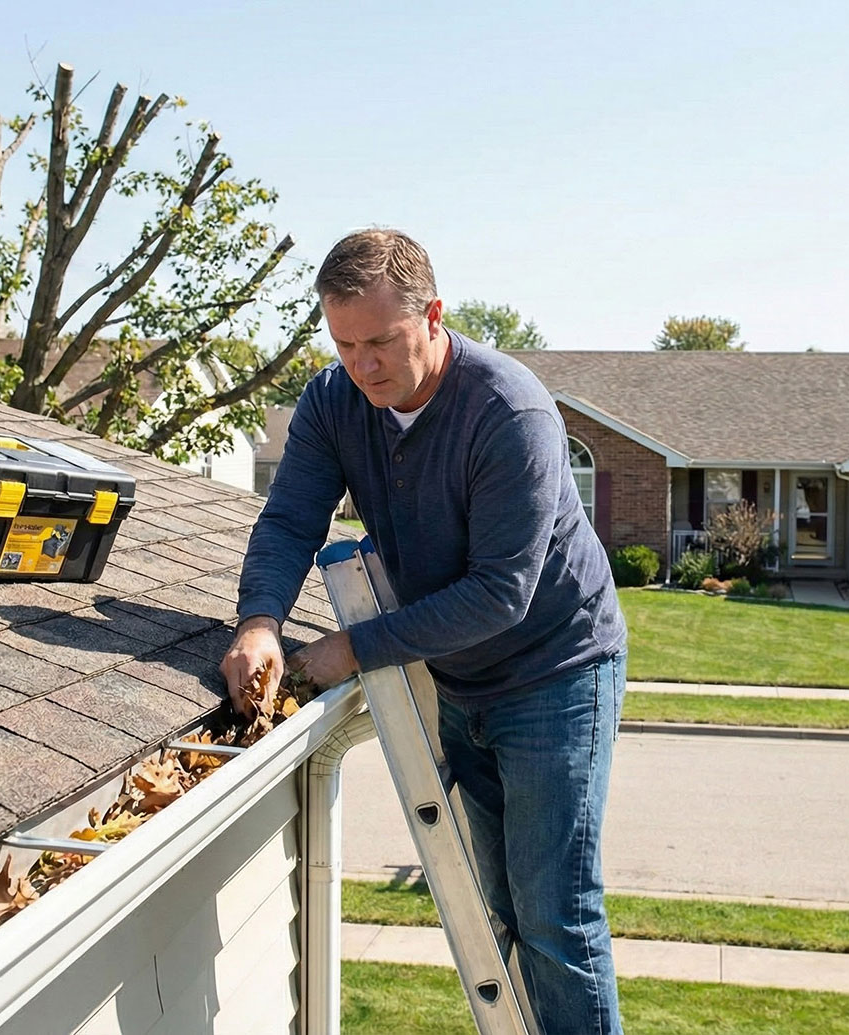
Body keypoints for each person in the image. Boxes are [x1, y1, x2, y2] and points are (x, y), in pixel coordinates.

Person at [221, 228, 628, 1035]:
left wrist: (352, 648)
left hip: (555, 670)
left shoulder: (506, 411)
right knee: (500, 911)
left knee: (557, 917)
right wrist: (260, 619)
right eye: (344, 345)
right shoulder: (336, 401)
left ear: (434, 315)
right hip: (460, 676)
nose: (363, 365)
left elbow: (500, 592)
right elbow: (290, 517)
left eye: (381, 342)